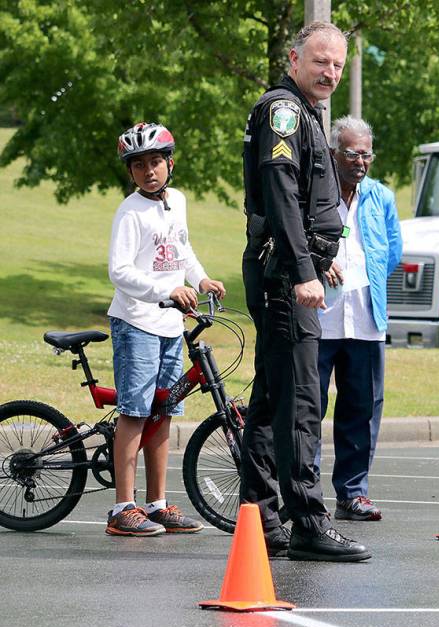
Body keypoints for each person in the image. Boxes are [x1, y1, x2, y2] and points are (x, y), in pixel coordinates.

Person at [240, 21, 370, 562]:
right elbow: (281, 193)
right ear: (295, 58)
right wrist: (302, 272)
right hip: (284, 277)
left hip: (287, 271)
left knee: (271, 399)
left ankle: (260, 517)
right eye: (320, 61)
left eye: (337, 64)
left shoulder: (305, 114)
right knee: (300, 402)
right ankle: (309, 522)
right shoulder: (285, 110)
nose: (330, 72)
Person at [106, 122, 226, 536]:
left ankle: (156, 504)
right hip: (136, 323)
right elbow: (119, 272)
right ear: (130, 172)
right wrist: (167, 288)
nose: (149, 171)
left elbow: (182, 248)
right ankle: (123, 506)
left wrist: (201, 280)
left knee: (164, 412)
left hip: (169, 325)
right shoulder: (130, 212)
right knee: (135, 413)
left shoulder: (177, 200)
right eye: (138, 165)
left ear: (170, 163)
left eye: (155, 161)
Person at [315, 116, 402, 521]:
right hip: (320, 316)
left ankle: (353, 493)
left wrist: (366, 280)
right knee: (308, 407)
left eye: (367, 154)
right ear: (334, 154)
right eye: (353, 154)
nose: (362, 162)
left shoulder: (381, 197)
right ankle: (305, 491)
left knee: (362, 408)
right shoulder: (316, 193)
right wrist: (319, 265)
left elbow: (393, 251)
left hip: (366, 316)